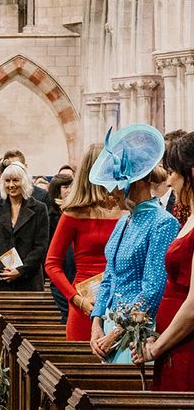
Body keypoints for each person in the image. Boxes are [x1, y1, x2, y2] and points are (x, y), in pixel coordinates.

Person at [89, 124, 180, 363]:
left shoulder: (163, 223)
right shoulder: (123, 222)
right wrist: (96, 322)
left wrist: (118, 334)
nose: (110, 194)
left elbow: (153, 289)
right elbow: (108, 276)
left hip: (136, 334)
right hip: (109, 328)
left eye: (115, 186)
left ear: (136, 183)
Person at [132, 131, 194, 389]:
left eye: (172, 172)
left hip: (186, 346)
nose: (168, 182)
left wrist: (157, 347)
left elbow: (193, 306)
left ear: (190, 173)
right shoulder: (189, 216)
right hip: (172, 341)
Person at [45, 145, 124, 340]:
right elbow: (52, 264)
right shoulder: (73, 213)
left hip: (121, 300)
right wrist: (76, 299)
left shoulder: (126, 210)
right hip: (85, 301)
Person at [0, 162, 49, 291]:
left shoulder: (40, 208)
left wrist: (20, 271)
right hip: (0, 280)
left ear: (24, 182)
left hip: (30, 281)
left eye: (16, 180)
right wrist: (1, 270)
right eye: (7, 181)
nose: (11, 185)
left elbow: (41, 246)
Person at [45, 171, 75, 323]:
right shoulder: (51, 216)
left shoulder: (78, 213)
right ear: (57, 190)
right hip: (61, 267)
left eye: (72, 186)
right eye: (65, 187)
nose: (70, 190)